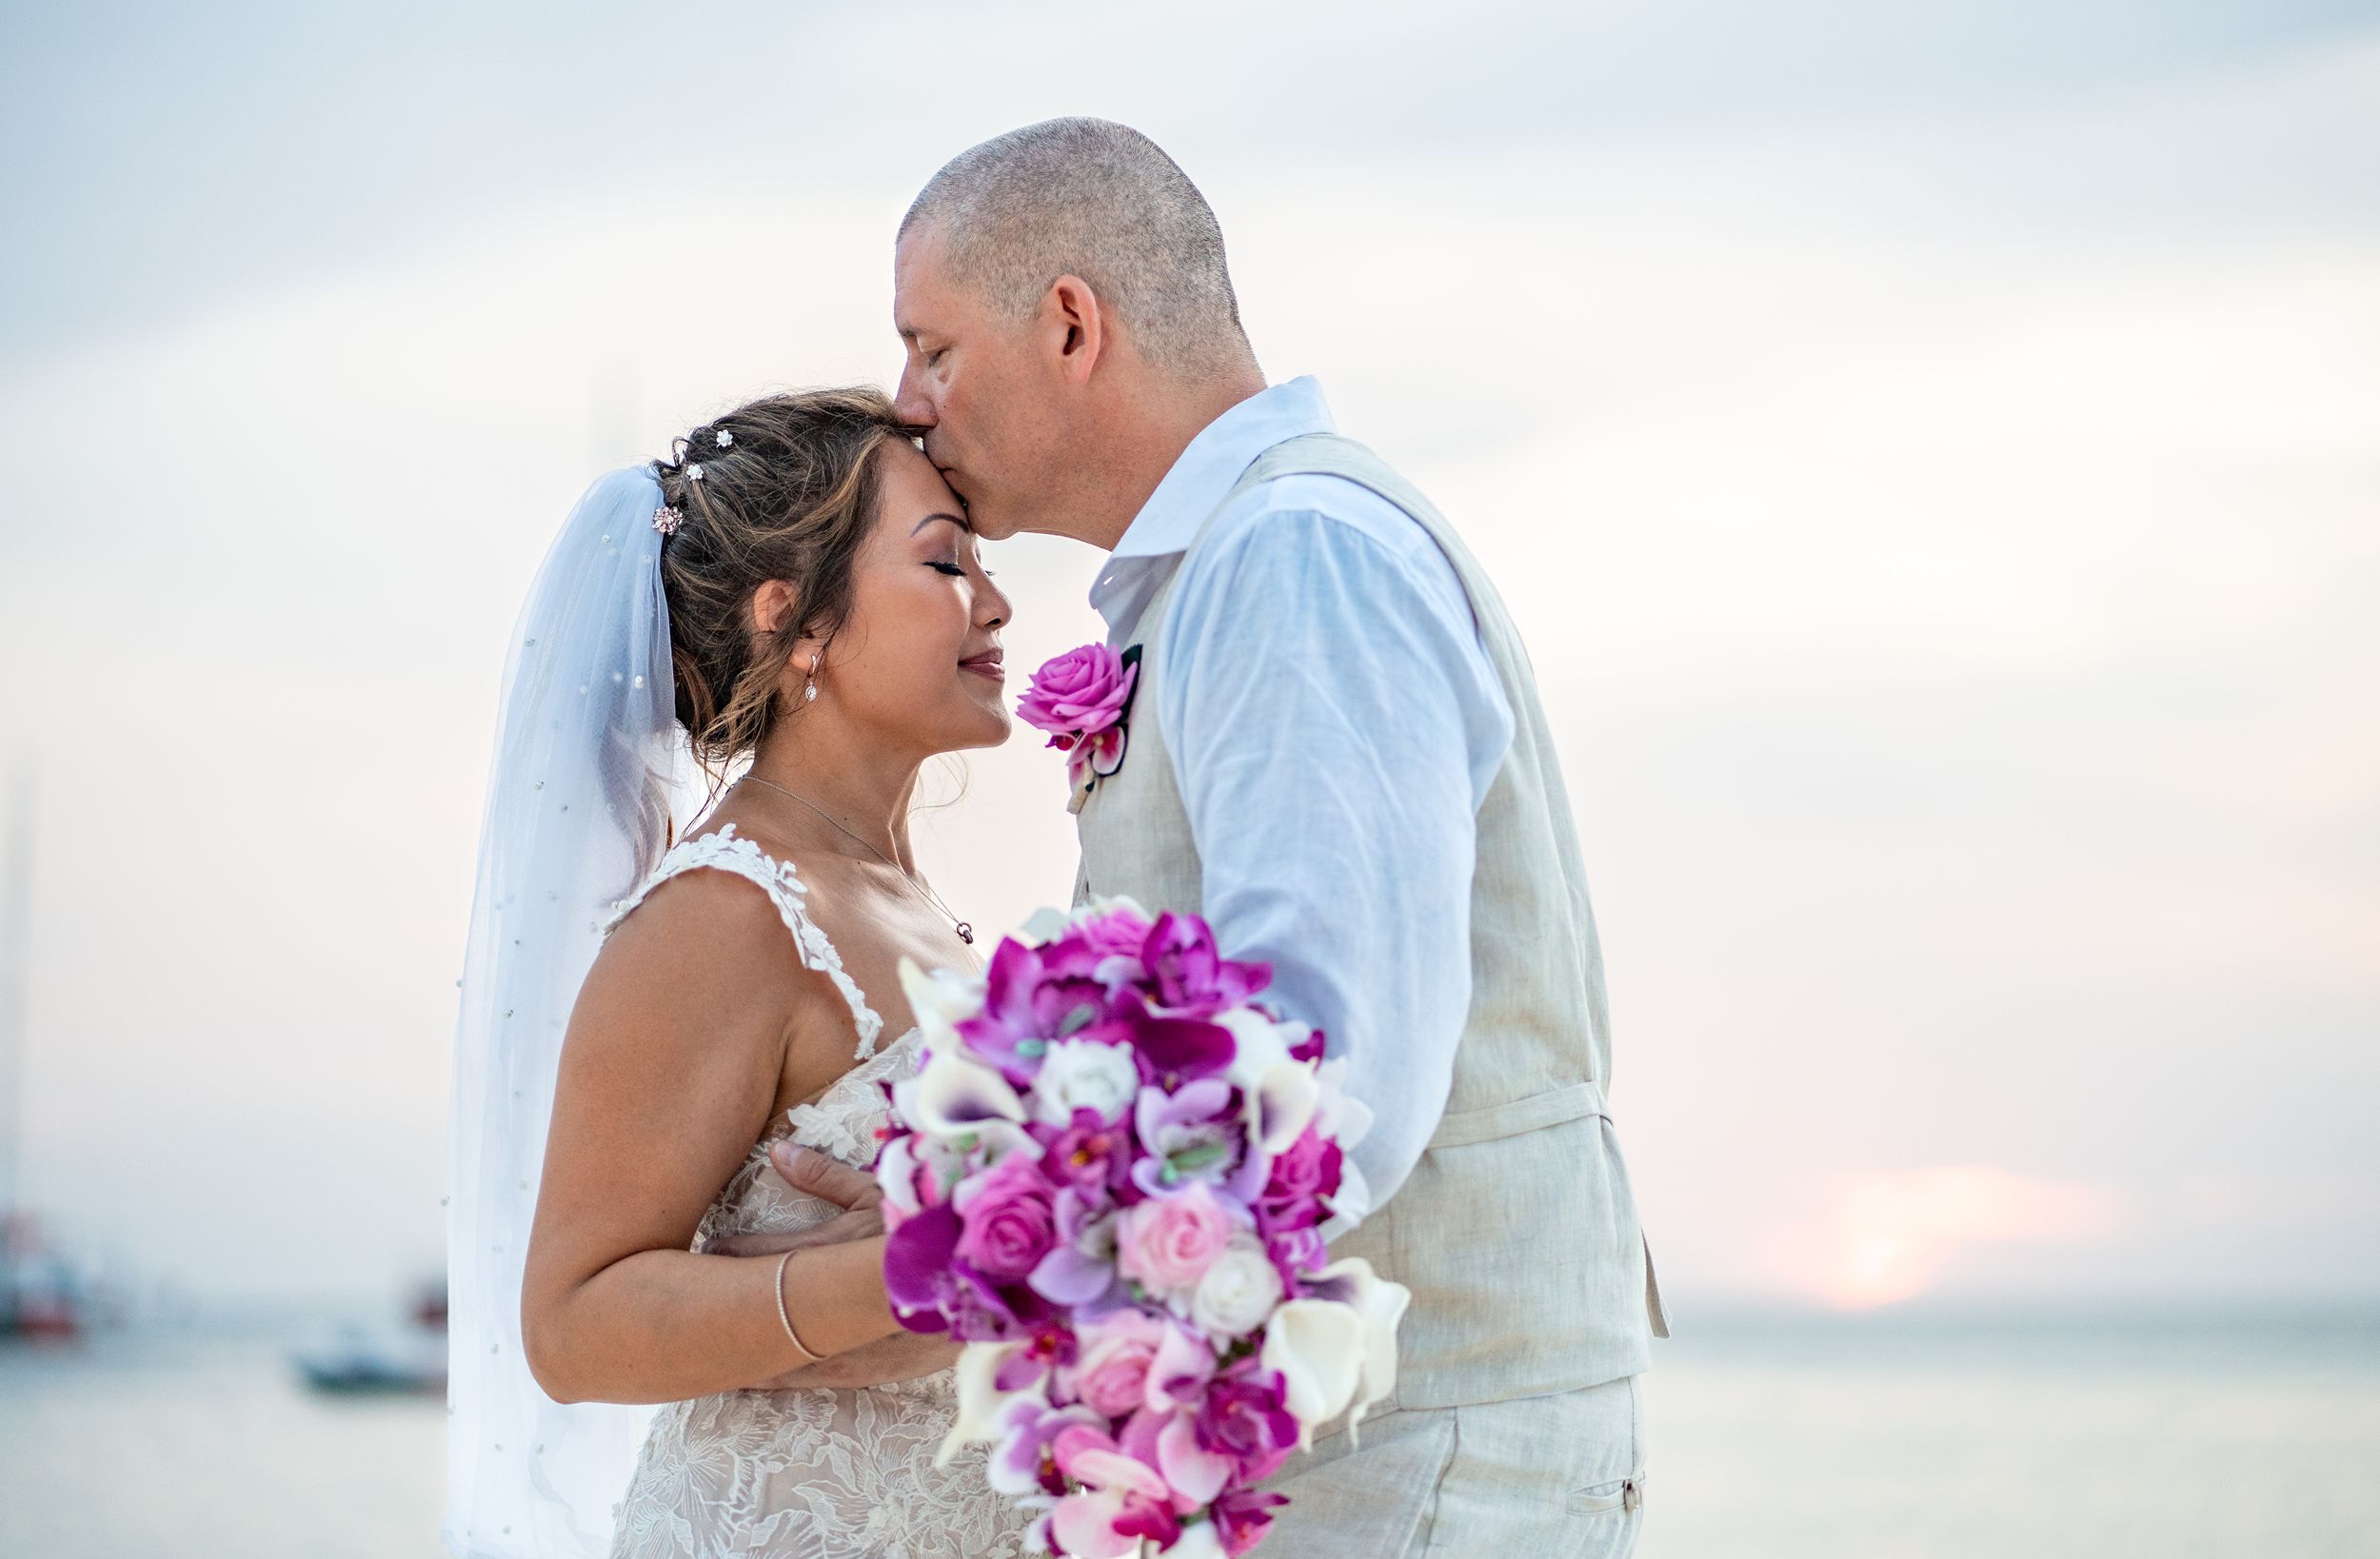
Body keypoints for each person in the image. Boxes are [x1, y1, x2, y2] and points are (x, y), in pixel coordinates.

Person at [864, 116, 1667, 1556]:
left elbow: (1323, 1063)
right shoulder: (1248, 556)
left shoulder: (1296, 556)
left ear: (1068, 325)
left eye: (933, 348)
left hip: (1419, 1448)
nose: (910, 403)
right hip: (1367, 1445)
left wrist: (986, 1220)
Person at [445, 389, 1037, 1558]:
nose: (997, 601)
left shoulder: (911, 903)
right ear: (794, 618)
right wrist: (897, 1281)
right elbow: (571, 1324)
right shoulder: (723, 914)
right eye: (945, 563)